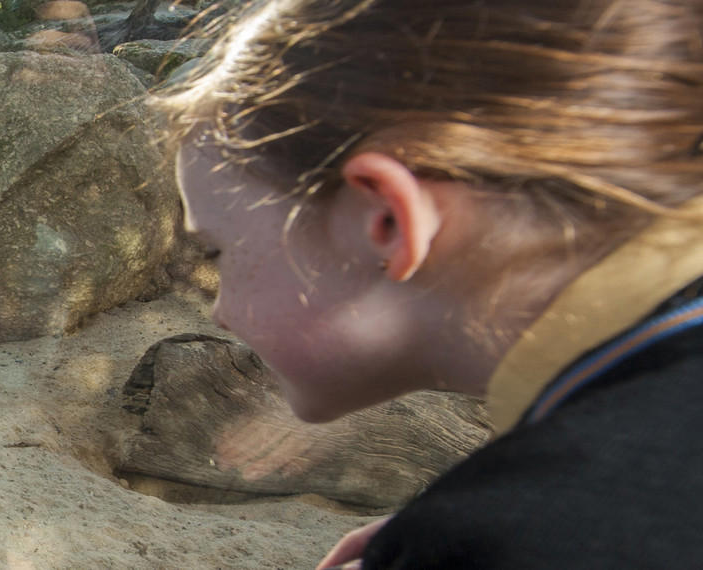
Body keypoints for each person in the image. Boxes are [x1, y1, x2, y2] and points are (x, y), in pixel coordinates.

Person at [155, 0, 703, 567]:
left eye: (218, 252)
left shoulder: (518, 536)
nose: (219, 310)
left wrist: (473, 536)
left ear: (386, 221)